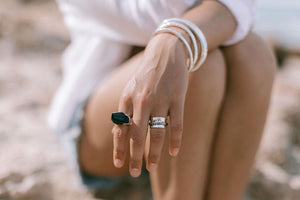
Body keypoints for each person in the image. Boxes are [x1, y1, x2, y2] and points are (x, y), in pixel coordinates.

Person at [48, 0, 276, 199]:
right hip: (96, 121)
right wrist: (175, 36)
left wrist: (176, 37)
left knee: (253, 52)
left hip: (188, 120)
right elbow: (165, 10)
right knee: (195, 64)